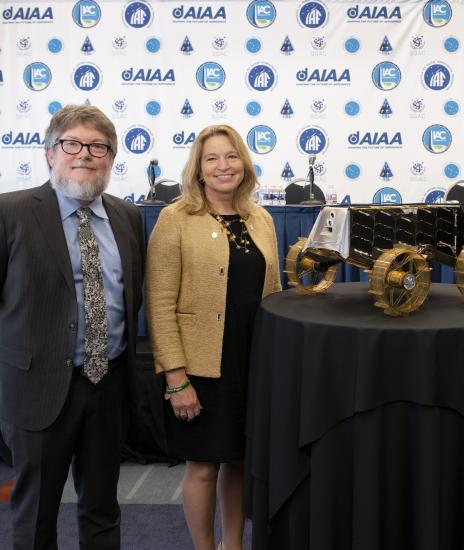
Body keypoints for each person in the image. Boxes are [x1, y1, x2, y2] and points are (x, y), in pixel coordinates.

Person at [0, 104, 145, 549]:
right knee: (35, 514)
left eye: (99, 146)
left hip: (109, 385)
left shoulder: (128, 217)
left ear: (111, 157)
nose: (86, 154)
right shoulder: (11, 212)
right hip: (38, 389)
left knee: (102, 508)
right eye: (72, 144)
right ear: (50, 153)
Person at [146, 124, 281, 550]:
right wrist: (176, 378)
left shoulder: (261, 218)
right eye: (212, 158)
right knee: (203, 467)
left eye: (231, 156)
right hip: (200, 364)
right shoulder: (175, 219)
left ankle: (233, 545)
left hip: (251, 360)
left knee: (239, 462)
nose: (224, 166)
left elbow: (273, 293)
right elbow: (159, 305)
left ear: (244, 163)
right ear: (199, 170)